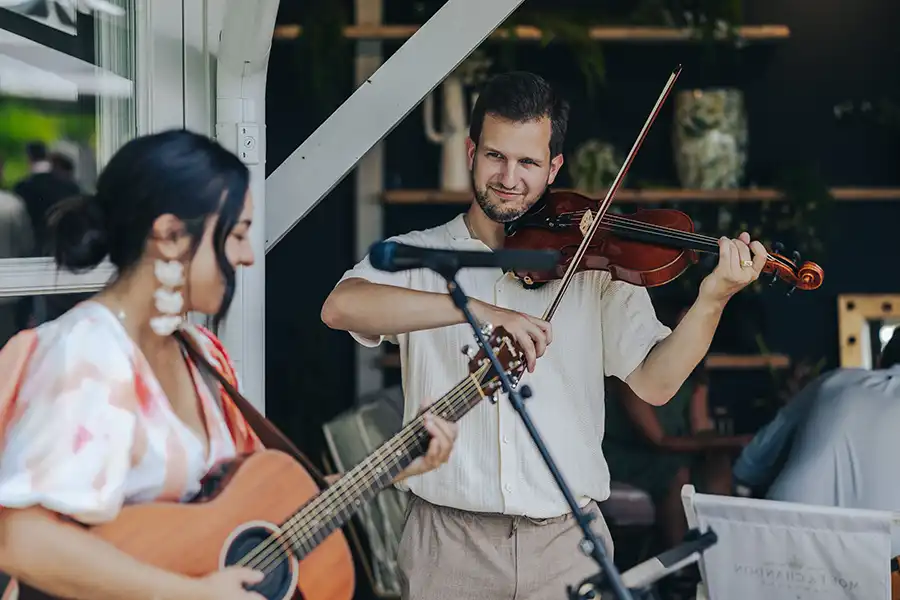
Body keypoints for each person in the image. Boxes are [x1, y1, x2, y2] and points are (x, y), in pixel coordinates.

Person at [321, 71, 767, 600]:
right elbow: (341, 307)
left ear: (554, 167)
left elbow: (656, 382)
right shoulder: (424, 253)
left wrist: (712, 299)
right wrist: (475, 310)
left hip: (566, 545)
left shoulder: (594, 264)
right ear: (471, 153)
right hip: (448, 543)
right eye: (495, 157)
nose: (509, 177)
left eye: (529, 162)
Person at [0, 129, 459, 600]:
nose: (246, 256)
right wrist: (189, 593)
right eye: (237, 234)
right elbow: (22, 541)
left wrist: (396, 466)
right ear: (170, 235)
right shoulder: (88, 353)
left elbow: (250, 515)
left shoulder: (200, 355)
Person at [604, 298, 751, 550]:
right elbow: (658, 440)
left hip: (677, 451)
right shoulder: (628, 374)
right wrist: (734, 441)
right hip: (630, 452)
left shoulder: (695, 378)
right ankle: (679, 560)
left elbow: (701, 428)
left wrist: (718, 450)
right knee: (676, 470)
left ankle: (720, 555)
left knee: (717, 465)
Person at [736, 327, 900, 509]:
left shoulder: (835, 381)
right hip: (883, 531)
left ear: (878, 362)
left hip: (789, 526)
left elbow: (748, 465)